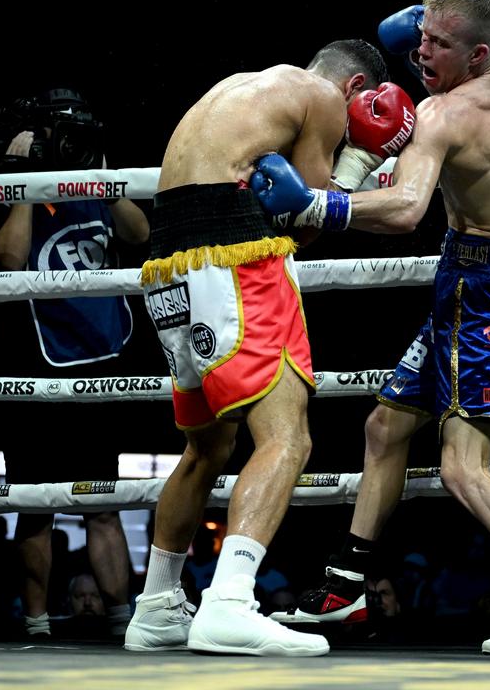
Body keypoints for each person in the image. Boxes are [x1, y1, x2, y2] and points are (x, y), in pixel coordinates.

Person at [253, 0, 490, 655]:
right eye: (422, 34)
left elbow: (408, 209)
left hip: (481, 288)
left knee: (462, 468)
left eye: (438, 43)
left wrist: (320, 206)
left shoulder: (443, 116)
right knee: (385, 426)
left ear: (477, 55)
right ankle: (347, 585)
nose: (419, 52)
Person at [123, 40, 406, 657]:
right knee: (287, 437)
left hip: (170, 264)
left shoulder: (248, 85)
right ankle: (228, 604)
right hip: (236, 259)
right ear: (356, 85)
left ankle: (156, 609)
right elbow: (308, 212)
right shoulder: (323, 100)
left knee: (207, 446)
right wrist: (360, 156)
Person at [0, 88, 150, 639]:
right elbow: (7, 259)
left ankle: (123, 621)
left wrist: (99, 172)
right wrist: (28, 180)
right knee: (37, 505)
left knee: (105, 503)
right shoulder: (0, 186)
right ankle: (37, 622)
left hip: (100, 359)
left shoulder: (94, 182)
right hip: (35, 367)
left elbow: (140, 235)